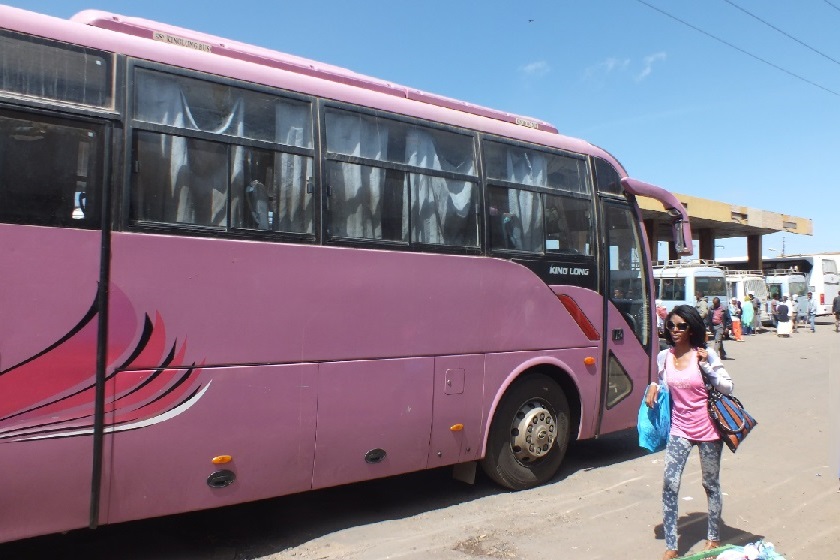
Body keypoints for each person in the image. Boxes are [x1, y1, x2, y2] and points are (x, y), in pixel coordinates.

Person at [645, 305, 734, 560]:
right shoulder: (664, 357)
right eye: (671, 325)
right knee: (669, 484)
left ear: (692, 328)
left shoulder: (705, 355)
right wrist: (653, 385)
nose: (675, 330)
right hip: (679, 429)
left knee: (710, 484)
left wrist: (707, 367)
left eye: (681, 326)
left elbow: (728, 387)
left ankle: (714, 537)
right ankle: (672, 544)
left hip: (708, 430)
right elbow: (662, 381)